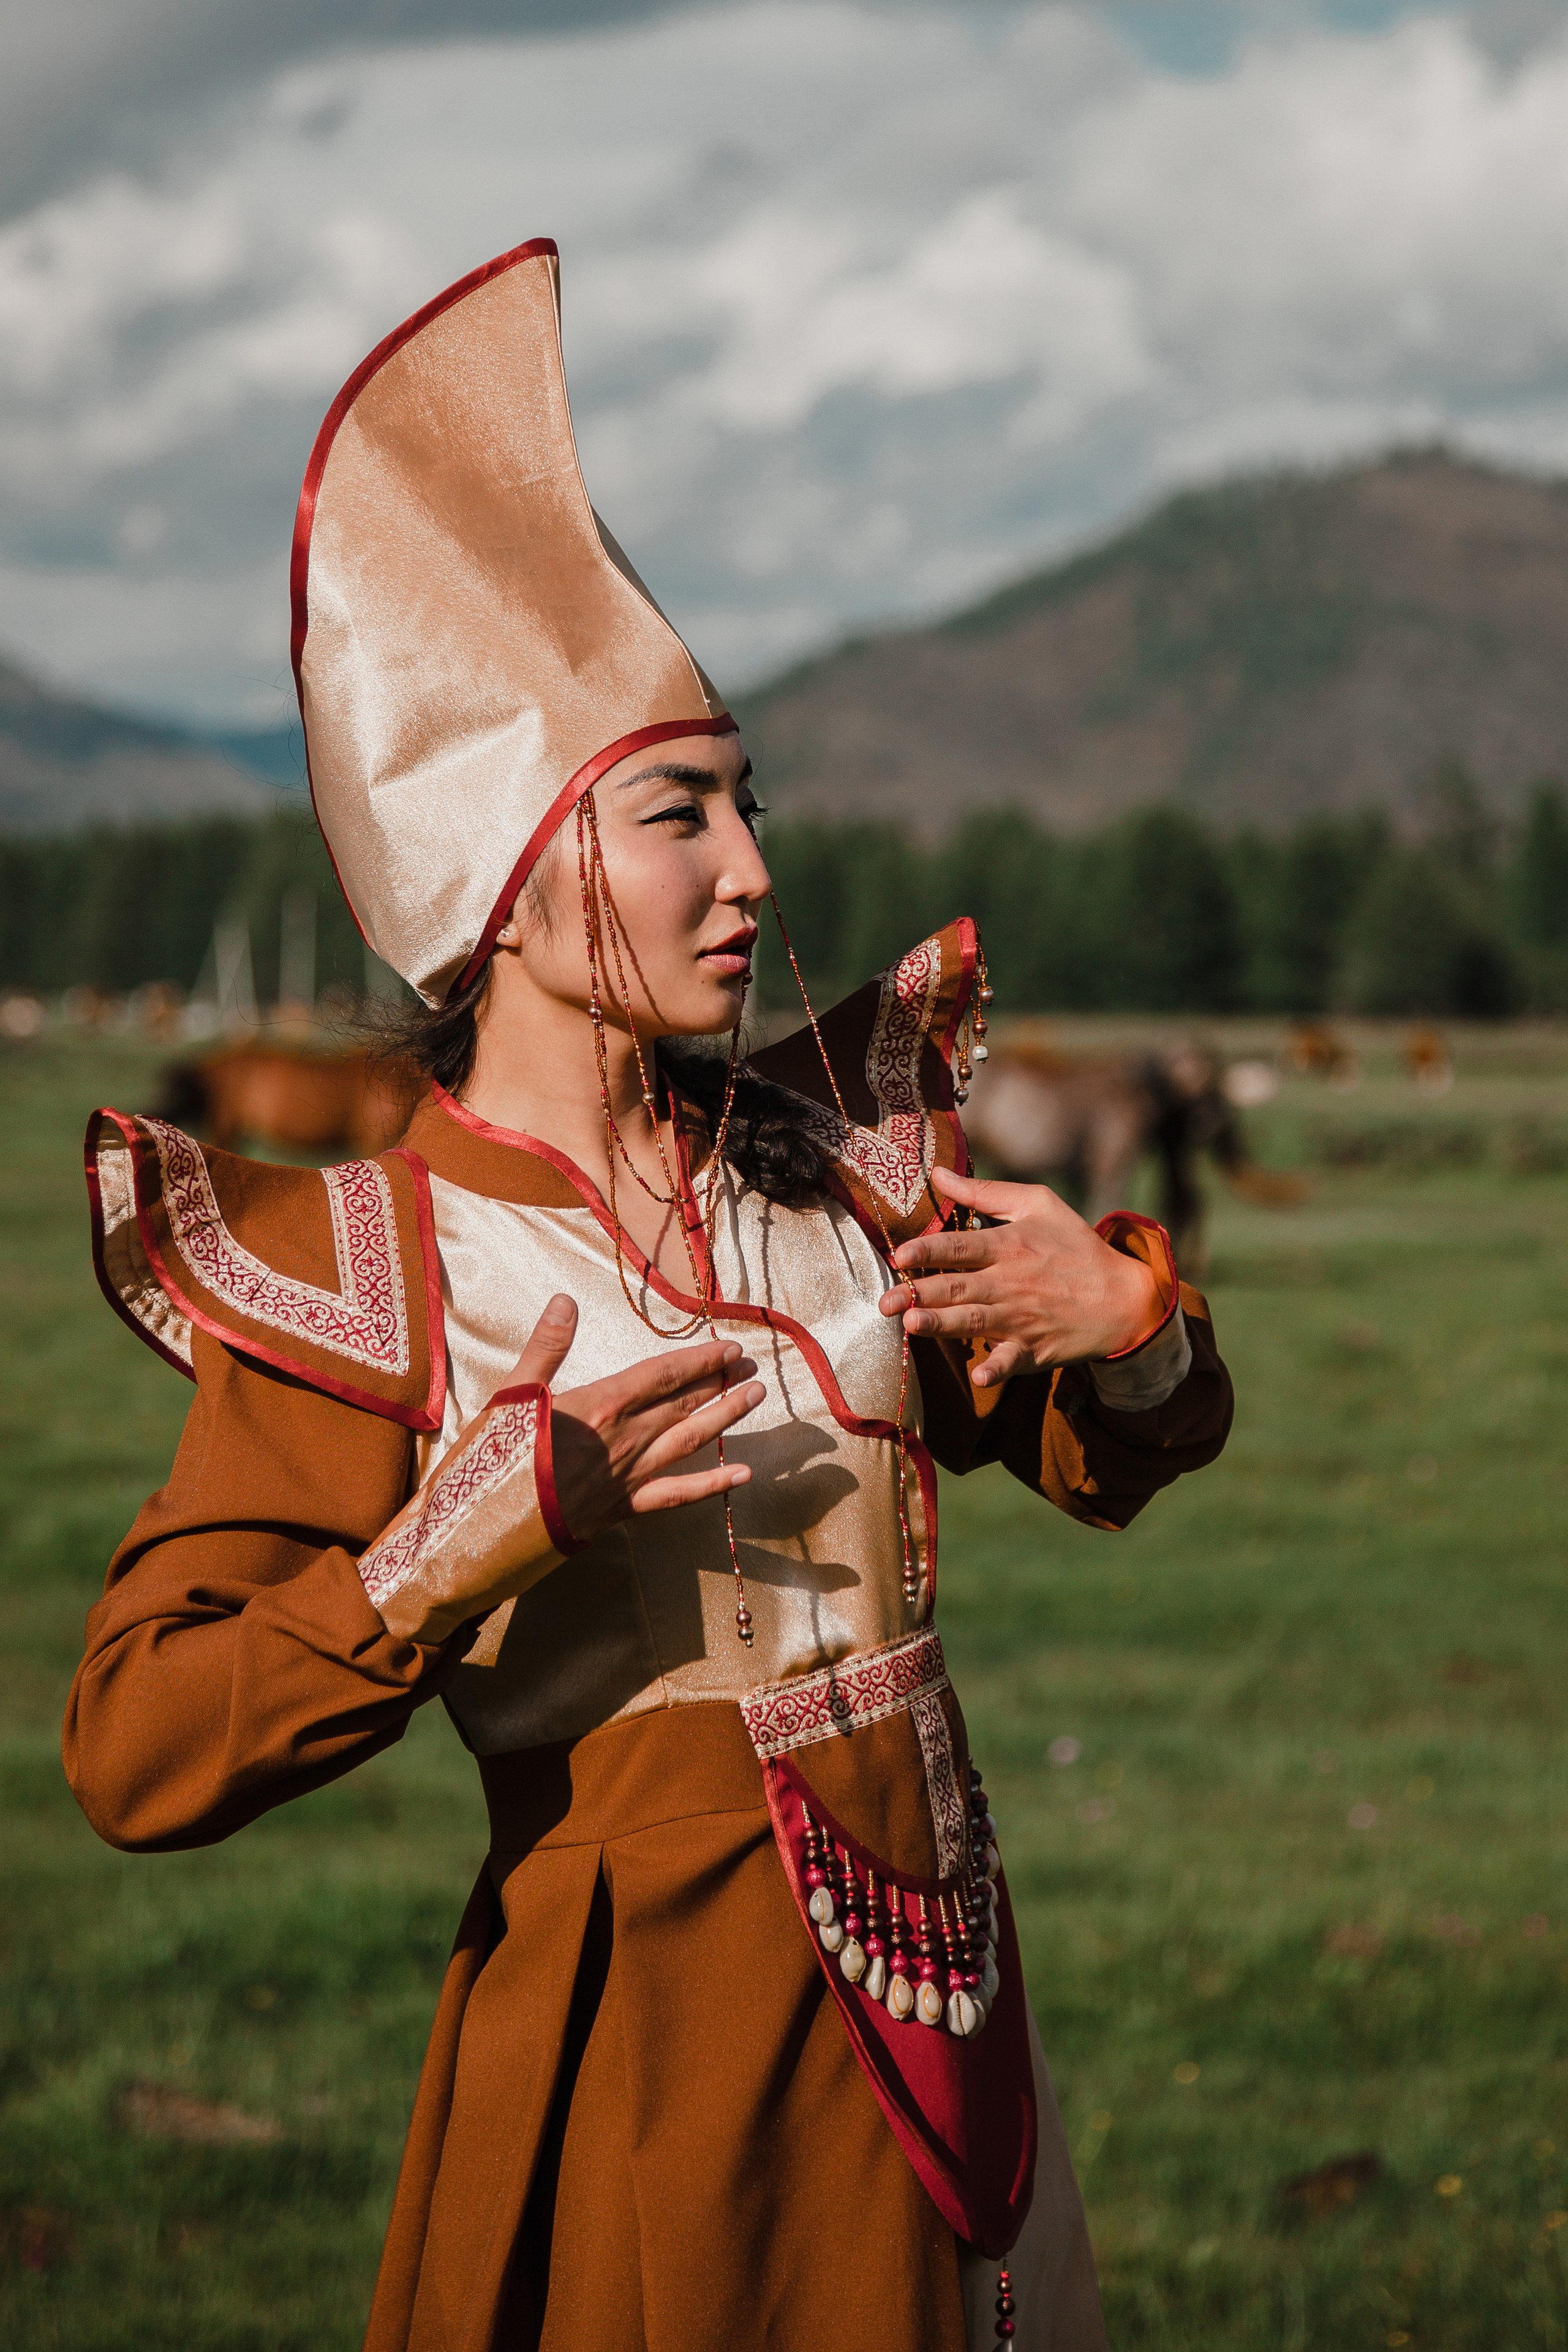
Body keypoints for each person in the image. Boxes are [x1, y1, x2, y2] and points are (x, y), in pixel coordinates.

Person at [67, 238, 1233, 2352]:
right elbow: (136, 1748)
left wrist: (1122, 1321)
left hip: (951, 2043)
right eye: (680, 814)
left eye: (748, 808)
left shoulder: (829, 1182)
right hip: (644, 2077)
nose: (755, 870)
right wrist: (454, 1548)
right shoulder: (389, 1273)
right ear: (512, 882)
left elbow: (1132, 1451)